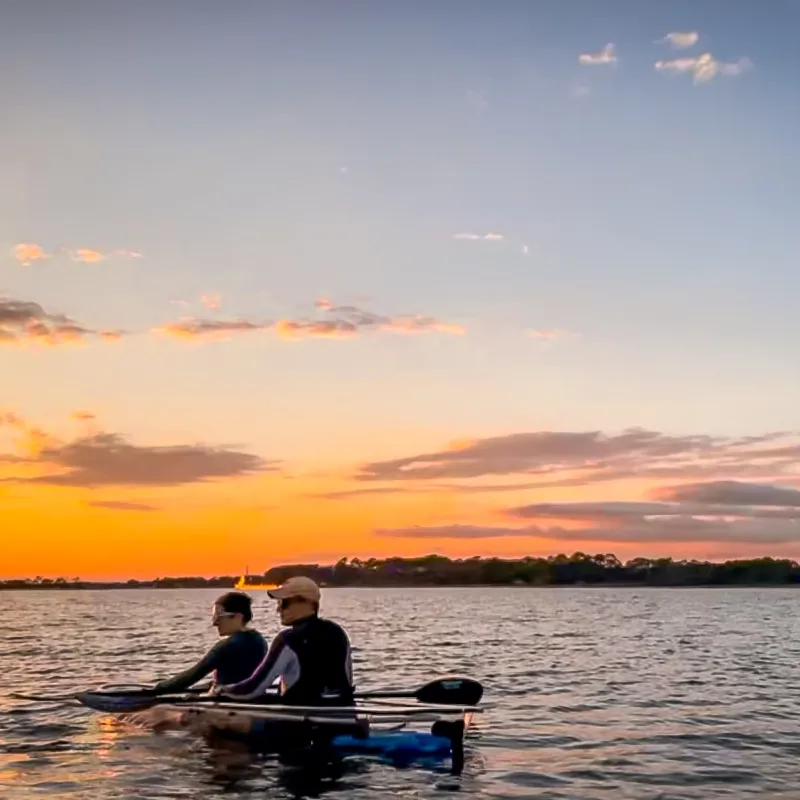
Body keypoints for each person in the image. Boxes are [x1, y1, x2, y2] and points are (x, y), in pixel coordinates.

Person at [216, 576, 354, 706]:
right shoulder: (338, 632)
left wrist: (222, 690)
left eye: (284, 603)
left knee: (220, 722)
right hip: (345, 716)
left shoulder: (288, 639)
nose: (278, 609)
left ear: (306, 602)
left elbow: (253, 689)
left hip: (301, 722)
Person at [151, 592, 268, 695]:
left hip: (226, 701)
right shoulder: (260, 641)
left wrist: (158, 688)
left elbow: (191, 677)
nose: (215, 624)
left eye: (219, 618)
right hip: (252, 697)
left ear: (237, 616)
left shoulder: (227, 646)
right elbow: (242, 677)